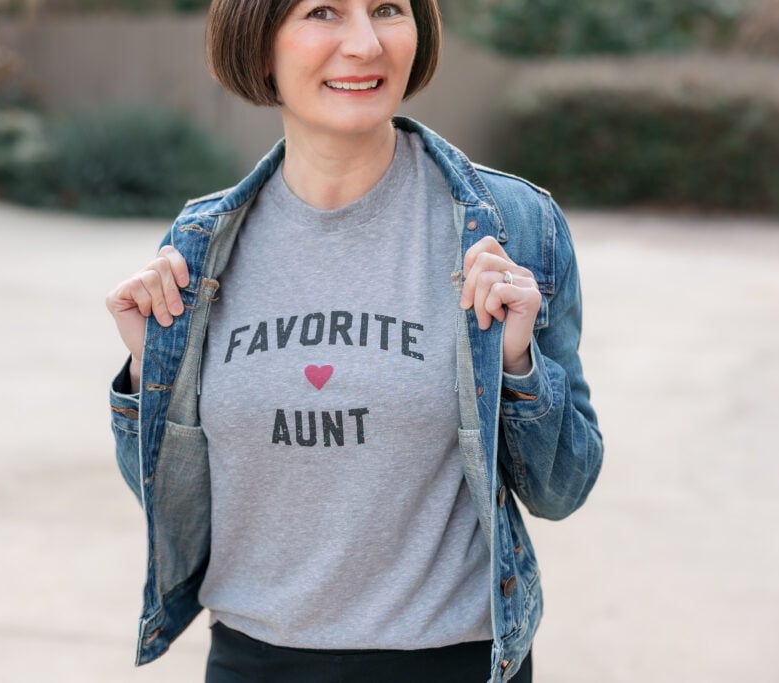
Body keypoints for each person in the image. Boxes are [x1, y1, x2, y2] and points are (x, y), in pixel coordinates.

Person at [105, 1, 603, 681]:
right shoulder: (200, 245)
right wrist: (145, 373)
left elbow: (561, 487)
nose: (364, 43)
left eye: (387, 9)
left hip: (451, 662)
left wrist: (517, 364)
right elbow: (177, 504)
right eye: (324, 12)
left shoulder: (512, 225)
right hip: (255, 662)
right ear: (258, 45)